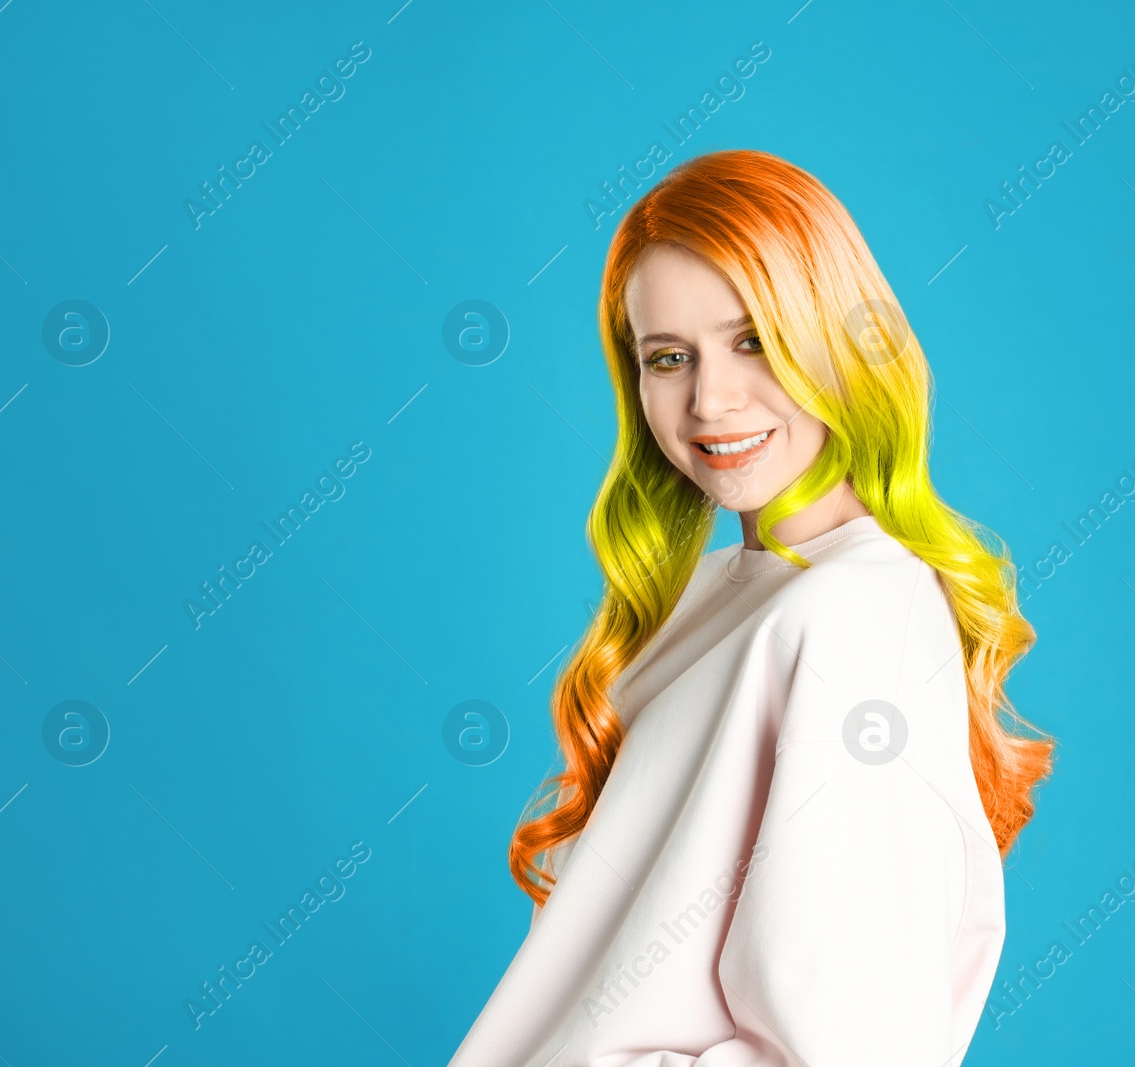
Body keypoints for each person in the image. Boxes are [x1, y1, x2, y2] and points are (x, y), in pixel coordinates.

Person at [448, 149, 1054, 1066]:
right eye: (668, 357)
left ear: (843, 340)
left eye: (754, 340)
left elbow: (848, 1047)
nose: (711, 401)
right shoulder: (721, 593)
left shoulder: (855, 614)